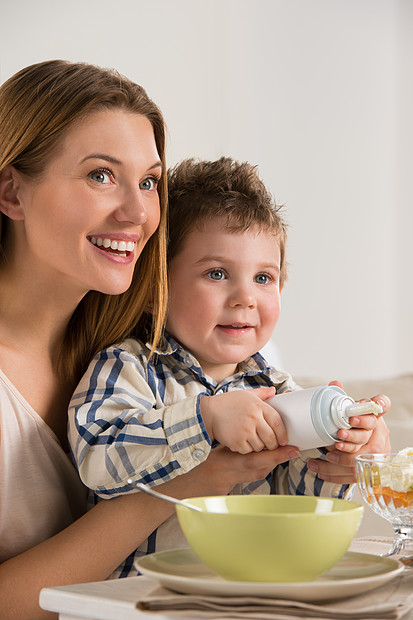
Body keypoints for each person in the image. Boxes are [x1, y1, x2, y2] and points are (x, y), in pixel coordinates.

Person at [0, 63, 298, 620]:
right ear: (11, 192)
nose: (139, 214)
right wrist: (191, 476)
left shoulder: (159, 354)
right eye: (101, 175)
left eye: (149, 182)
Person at [68, 157, 391, 577]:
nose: (246, 298)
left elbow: (296, 503)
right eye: (218, 273)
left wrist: (343, 454)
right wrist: (205, 419)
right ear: (155, 290)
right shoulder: (129, 366)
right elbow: (98, 458)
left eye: (263, 278)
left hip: (241, 595)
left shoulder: (278, 390)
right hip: (142, 601)